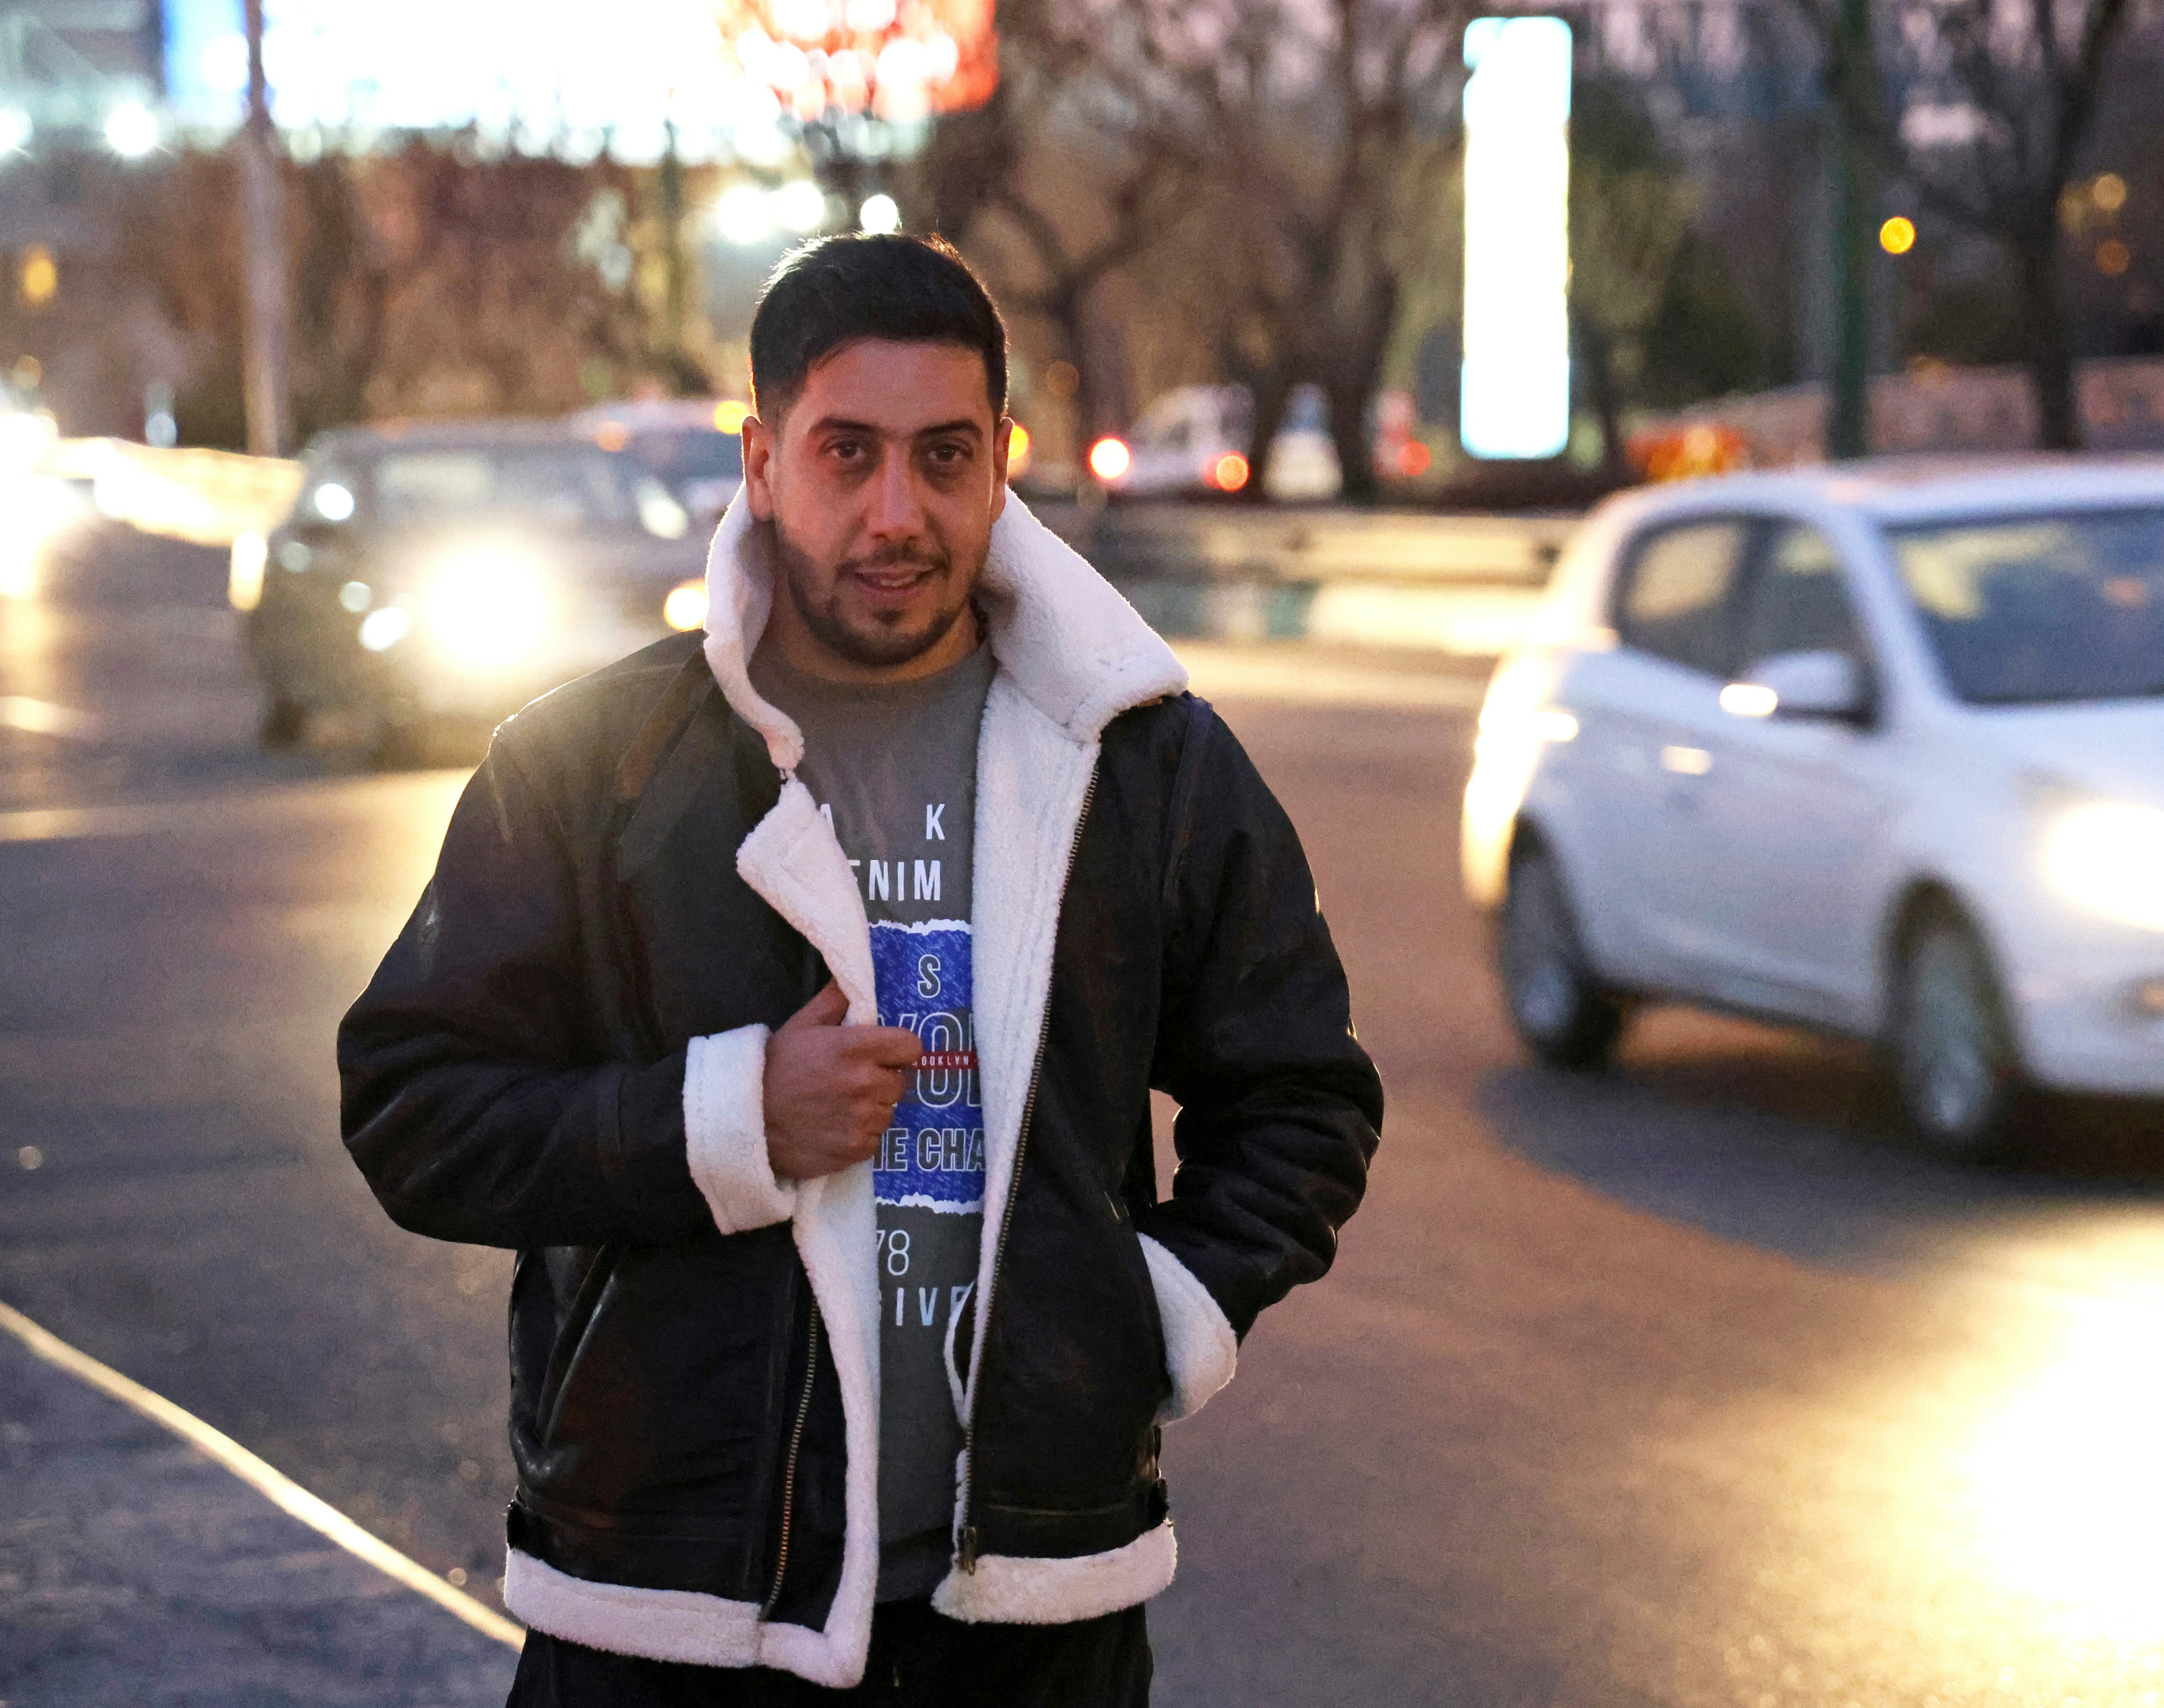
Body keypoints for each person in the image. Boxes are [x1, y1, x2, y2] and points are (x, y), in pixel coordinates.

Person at [336, 233, 1381, 1705]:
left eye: (945, 456)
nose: (899, 512)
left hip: (1031, 1619)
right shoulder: (595, 765)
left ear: (1001, 461)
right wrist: (731, 1122)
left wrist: (1149, 1320)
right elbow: (413, 1110)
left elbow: (1302, 1092)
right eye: (849, 454)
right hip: (667, 1612)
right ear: (764, 463)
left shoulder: (1137, 762)